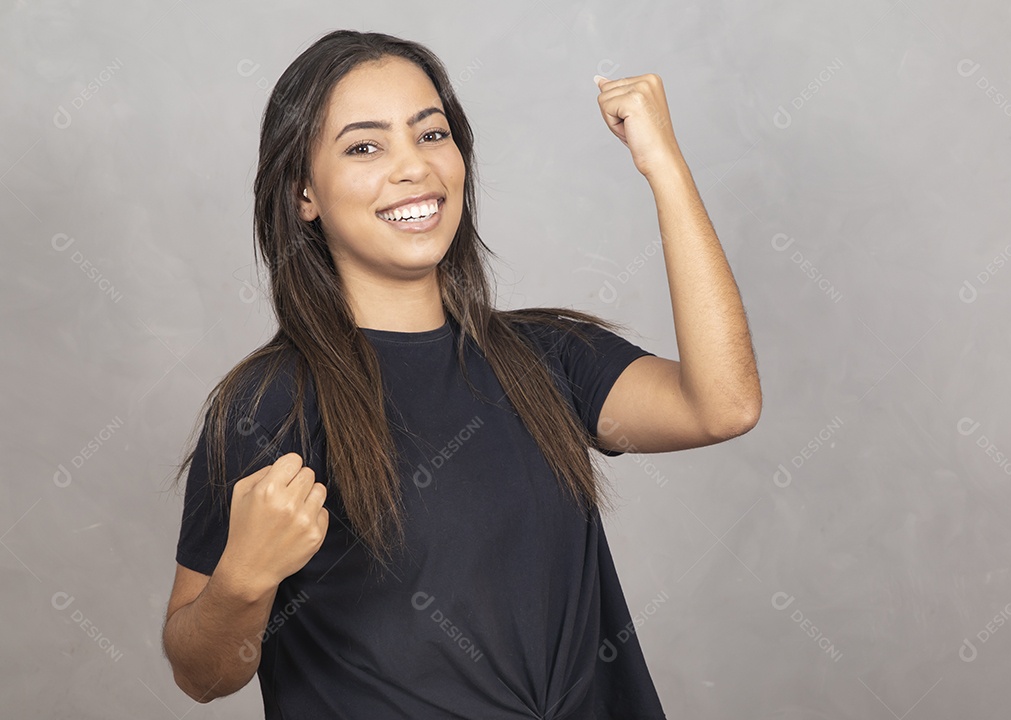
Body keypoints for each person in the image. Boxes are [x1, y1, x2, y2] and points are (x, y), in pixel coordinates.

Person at [161, 30, 760, 720]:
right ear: (304, 193)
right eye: (365, 146)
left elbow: (724, 405)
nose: (413, 168)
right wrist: (242, 580)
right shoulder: (269, 405)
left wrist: (666, 167)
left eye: (431, 134)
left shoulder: (550, 358)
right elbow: (202, 676)